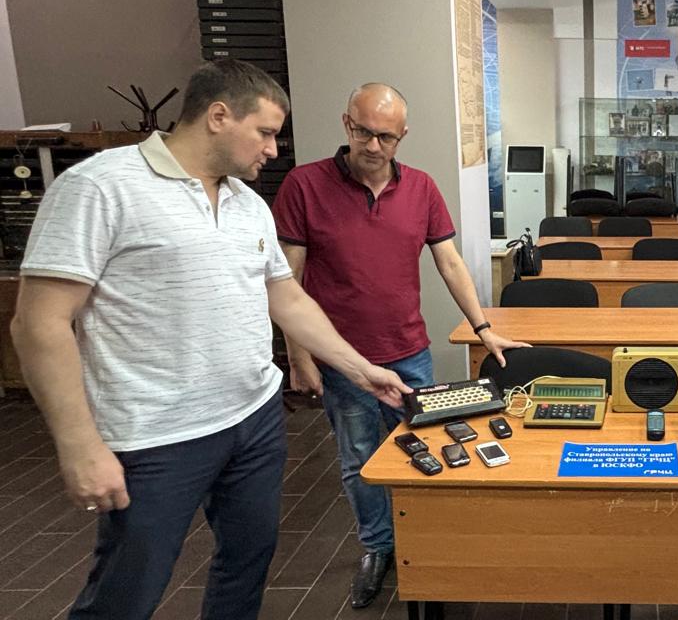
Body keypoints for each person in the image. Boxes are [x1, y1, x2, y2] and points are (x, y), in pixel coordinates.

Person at [10, 60, 411, 620]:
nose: (272, 149)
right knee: (128, 590)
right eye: (265, 132)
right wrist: (79, 445)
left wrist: (359, 369)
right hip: (155, 436)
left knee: (247, 563)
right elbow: (39, 323)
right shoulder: (99, 186)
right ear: (219, 116)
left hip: (254, 420)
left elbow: (286, 298)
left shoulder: (248, 204)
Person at [273, 83, 527, 609]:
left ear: (402, 136)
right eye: (363, 132)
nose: (373, 146)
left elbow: (449, 262)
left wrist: (482, 327)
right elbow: (286, 279)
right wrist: (299, 355)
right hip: (343, 358)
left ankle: (423, 540)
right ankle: (378, 546)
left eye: (385, 137)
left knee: (426, 446)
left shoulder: (422, 188)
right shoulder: (304, 185)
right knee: (360, 459)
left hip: (409, 349)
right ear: (347, 124)